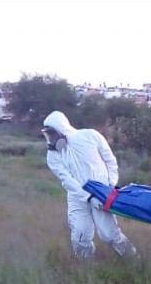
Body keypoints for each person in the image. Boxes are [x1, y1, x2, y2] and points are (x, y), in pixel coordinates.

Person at [41, 110, 138, 261]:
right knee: (80, 234)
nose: (51, 138)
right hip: (77, 197)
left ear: (61, 129)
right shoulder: (53, 155)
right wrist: (88, 197)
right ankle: (86, 267)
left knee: (109, 234)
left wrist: (111, 185)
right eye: (48, 134)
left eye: (53, 133)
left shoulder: (90, 136)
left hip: (102, 194)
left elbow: (110, 160)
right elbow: (66, 180)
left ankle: (133, 258)